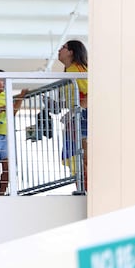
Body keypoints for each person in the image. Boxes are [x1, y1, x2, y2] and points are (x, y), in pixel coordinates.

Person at [58, 39, 88, 191]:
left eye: (63, 48)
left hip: (84, 117)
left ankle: (88, 189)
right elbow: (74, 98)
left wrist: (76, 111)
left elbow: (91, 94)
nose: (59, 50)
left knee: (84, 157)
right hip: (78, 116)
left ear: (71, 52)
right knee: (78, 158)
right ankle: (82, 187)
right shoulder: (70, 71)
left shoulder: (78, 69)